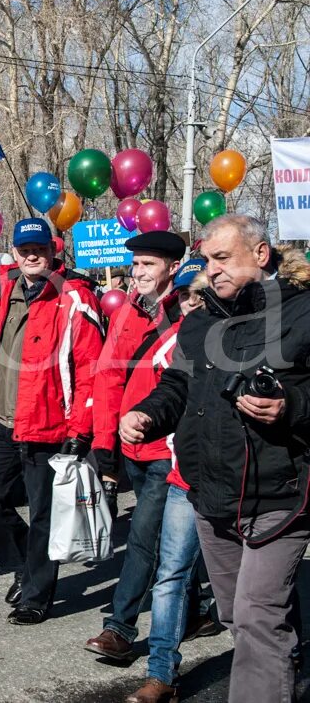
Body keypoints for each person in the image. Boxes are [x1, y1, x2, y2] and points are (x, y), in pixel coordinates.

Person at [121, 216, 310, 703]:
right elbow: (178, 386)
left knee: (256, 615)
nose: (213, 269)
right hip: (208, 493)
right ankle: (285, 659)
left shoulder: (303, 311)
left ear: (262, 254)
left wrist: (289, 406)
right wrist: (146, 414)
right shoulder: (200, 318)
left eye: (223, 258)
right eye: (207, 260)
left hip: (279, 495)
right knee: (235, 615)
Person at [0, 217, 104, 625]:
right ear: (14, 253)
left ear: (52, 251)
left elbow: (91, 368)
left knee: (44, 512)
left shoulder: (75, 297)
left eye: (39, 250)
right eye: (24, 250)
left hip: (48, 424)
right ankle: (25, 565)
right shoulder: (2, 289)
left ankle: (37, 596)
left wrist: (81, 428)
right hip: (1, 419)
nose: (32, 256)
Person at [84, 230, 187, 661]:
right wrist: (104, 444)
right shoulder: (127, 310)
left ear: (172, 268)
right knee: (165, 538)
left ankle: (120, 629)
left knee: (144, 536)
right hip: (132, 448)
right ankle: (196, 613)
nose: (138, 272)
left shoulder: (190, 313)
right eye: (136, 264)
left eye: (148, 264)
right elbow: (108, 377)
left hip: (168, 449)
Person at [120, 259, 210, 703]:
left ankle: (274, 662)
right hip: (184, 472)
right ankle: (162, 675)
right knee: (171, 574)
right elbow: (173, 388)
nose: (191, 305)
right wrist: (146, 415)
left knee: (252, 595)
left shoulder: (258, 329)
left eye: (200, 295)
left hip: (249, 482)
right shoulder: (188, 336)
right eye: (186, 297)